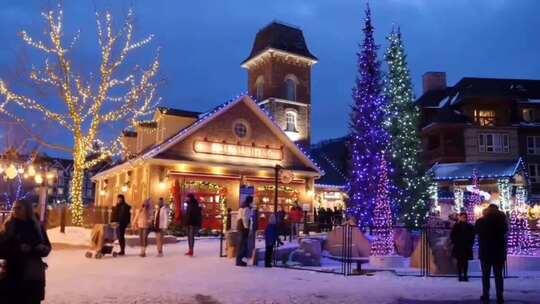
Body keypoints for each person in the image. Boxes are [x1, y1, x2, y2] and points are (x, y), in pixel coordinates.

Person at [0, 200, 51, 303]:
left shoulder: (37, 227)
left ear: (27, 210)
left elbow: (47, 247)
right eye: (14, 208)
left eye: (19, 208)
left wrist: (41, 249)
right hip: (12, 273)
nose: (15, 210)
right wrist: (18, 249)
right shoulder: (8, 226)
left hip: (32, 275)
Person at [476, 204, 508, 304]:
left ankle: (486, 294)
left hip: (485, 252)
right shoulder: (502, 222)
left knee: (485, 275)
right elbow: (505, 233)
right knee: (498, 276)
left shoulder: (481, 221)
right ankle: (500, 296)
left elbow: (476, 232)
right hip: (498, 252)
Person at [450, 212, 475, 281]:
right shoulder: (457, 225)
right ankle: (460, 275)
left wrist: (470, 243)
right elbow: (452, 235)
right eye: (462, 217)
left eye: (464, 217)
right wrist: (455, 242)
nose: (464, 218)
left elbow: (472, 235)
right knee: (459, 261)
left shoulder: (469, 226)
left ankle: (465, 275)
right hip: (459, 246)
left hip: (466, 246)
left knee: (465, 262)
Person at [236, 196, 253, 266]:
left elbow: (240, 218)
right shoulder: (247, 208)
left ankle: (239, 261)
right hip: (243, 228)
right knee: (243, 245)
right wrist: (247, 228)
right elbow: (245, 218)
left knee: (240, 244)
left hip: (240, 227)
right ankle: (241, 261)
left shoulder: (241, 207)